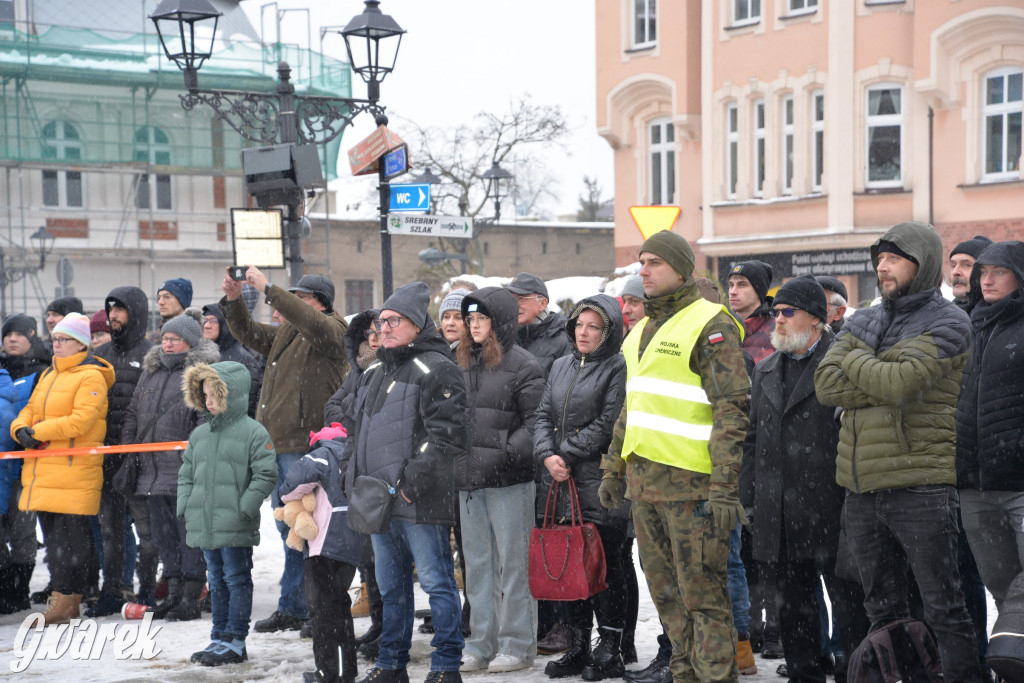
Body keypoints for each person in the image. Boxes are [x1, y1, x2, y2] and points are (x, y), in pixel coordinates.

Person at [814, 220, 986, 682]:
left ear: (923, 262)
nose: (882, 267)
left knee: (944, 607)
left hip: (921, 486)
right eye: (879, 259)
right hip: (861, 489)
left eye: (894, 259)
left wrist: (852, 354)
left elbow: (900, 383)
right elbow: (826, 386)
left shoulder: (950, 320)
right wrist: (877, 367)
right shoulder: (866, 318)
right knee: (882, 611)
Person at [600, 230, 749, 682]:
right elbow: (635, 403)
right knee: (667, 598)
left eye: (653, 263)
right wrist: (614, 467)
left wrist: (724, 487)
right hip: (647, 489)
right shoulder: (643, 328)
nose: (642, 271)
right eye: (641, 262)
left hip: (695, 489)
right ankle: (684, 674)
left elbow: (731, 410)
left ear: (681, 270)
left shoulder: (710, 323)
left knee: (703, 598)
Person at [740, 275, 869, 683]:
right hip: (779, 511)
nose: (777, 319)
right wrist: (749, 496)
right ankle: (804, 674)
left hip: (834, 506)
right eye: (775, 312)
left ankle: (856, 673)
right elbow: (752, 438)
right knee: (794, 608)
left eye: (787, 312)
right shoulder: (766, 368)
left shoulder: (842, 361)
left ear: (815, 319)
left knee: (849, 605)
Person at [339, 281, 467, 683]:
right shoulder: (373, 369)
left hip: (418, 500)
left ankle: (446, 665)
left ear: (415, 324)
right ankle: (392, 663)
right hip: (376, 501)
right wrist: (350, 475)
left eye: (394, 321)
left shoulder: (438, 367)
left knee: (437, 584)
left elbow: (445, 435)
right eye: (381, 321)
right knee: (391, 588)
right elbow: (355, 430)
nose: (384, 328)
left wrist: (410, 484)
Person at [220, 268, 349, 634]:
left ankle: (312, 606)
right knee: (289, 530)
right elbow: (249, 332)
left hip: (305, 445)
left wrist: (269, 288)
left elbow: (311, 322)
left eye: (298, 297)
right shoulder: (289, 334)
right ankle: (295, 605)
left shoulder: (332, 328)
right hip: (276, 444)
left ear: (318, 302)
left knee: (309, 530)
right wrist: (233, 301)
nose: (280, 309)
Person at [534, 294, 628, 681]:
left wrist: (566, 454)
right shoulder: (560, 364)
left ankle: (610, 646)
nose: (583, 332)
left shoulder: (618, 366)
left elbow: (610, 421)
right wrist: (546, 455)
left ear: (609, 331)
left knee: (606, 568)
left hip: (599, 482)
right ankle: (577, 644)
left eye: (594, 326)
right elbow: (542, 414)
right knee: (570, 566)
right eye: (579, 325)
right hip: (559, 485)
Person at [454, 287, 544, 675]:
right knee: (477, 566)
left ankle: (518, 644)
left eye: (481, 319)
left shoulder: (524, 365)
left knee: (513, 566)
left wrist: (507, 452)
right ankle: (479, 643)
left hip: (509, 481)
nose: (473, 326)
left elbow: (537, 421)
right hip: (469, 482)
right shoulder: (459, 362)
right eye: (469, 319)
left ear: (500, 321)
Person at [11, 312, 114, 624]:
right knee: (55, 541)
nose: (56, 343)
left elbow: (81, 421)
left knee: (74, 540)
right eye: (55, 338)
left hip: (74, 469)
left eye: (64, 339)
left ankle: (70, 598)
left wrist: (37, 432)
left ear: (80, 344)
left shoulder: (91, 376)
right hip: (44, 469)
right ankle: (62, 599)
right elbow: (27, 411)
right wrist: (21, 430)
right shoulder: (48, 375)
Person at [955, 240, 1024, 680]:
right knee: (1001, 590)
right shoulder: (969, 327)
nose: (986, 279)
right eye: (984, 271)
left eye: (998, 271)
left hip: (1020, 482)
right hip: (974, 486)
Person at [178, 361, 276, 667]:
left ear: (230, 395)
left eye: (214, 395)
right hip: (206, 524)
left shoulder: (253, 432)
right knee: (216, 581)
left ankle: (235, 639)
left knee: (236, 579)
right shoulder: (200, 435)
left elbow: (265, 474)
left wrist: (244, 507)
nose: (208, 401)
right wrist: (185, 504)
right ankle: (219, 635)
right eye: (204, 395)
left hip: (234, 523)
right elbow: (186, 474)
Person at [124, 310, 218, 620]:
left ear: (189, 343)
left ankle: (190, 596)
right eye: (164, 338)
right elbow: (134, 413)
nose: (167, 344)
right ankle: (174, 592)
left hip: (183, 471)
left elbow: (205, 420)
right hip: (150, 471)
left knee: (188, 536)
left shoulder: (201, 373)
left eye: (174, 339)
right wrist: (129, 449)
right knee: (164, 537)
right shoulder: (150, 372)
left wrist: (189, 457)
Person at [280, 424, 365, 683]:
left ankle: (331, 674)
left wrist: (287, 494)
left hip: (326, 541)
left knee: (325, 612)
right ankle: (344, 670)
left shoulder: (323, 452)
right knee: (338, 607)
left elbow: (290, 486)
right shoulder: (355, 454)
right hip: (352, 538)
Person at [322, 308, 383, 658]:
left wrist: (349, 419)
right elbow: (334, 405)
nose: (374, 337)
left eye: (379, 331)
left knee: (383, 558)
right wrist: (347, 422)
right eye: (369, 333)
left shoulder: (385, 368)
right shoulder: (356, 370)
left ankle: (389, 628)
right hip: (355, 468)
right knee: (368, 558)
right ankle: (378, 624)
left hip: (377, 472)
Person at [90, 286, 155, 617]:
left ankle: (147, 590)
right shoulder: (100, 357)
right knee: (111, 531)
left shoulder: (150, 356)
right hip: (105, 457)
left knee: (147, 531)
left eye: (120, 309)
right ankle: (112, 589)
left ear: (136, 312)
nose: (113, 315)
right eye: (110, 308)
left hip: (140, 459)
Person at [201, 303, 262, 418]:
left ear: (225, 324)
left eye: (213, 321)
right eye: (205, 321)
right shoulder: (204, 355)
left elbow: (248, 403)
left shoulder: (242, 359)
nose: (207, 326)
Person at [508, 272, 573, 376]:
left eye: (521, 298)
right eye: (511, 299)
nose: (514, 305)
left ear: (542, 303)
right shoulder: (507, 334)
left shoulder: (565, 338)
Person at [727, 260, 775, 365]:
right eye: (731, 285)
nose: (732, 292)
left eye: (742, 284)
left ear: (759, 291)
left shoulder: (778, 330)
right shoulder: (721, 327)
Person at [949, 235, 993, 309]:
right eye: (953, 265)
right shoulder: (945, 315)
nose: (955, 272)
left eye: (966, 265)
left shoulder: (1003, 317)